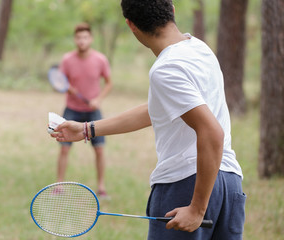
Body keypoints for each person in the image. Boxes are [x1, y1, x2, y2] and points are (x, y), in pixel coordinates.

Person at [51, 1, 246, 239]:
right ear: (172, 10)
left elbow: (212, 132)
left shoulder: (165, 69)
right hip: (229, 184)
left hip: (188, 184)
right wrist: (86, 129)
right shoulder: (200, 49)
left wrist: (197, 208)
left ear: (131, 25)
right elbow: (157, 110)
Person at [56, 22, 113, 199]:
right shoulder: (67, 60)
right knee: (64, 149)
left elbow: (109, 82)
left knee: (100, 150)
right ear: (75, 39)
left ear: (91, 39)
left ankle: (101, 188)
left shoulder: (100, 59)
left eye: (85, 37)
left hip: (92, 111)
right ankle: (59, 185)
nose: (82, 41)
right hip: (71, 109)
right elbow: (58, 82)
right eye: (79, 37)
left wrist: (99, 99)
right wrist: (67, 88)